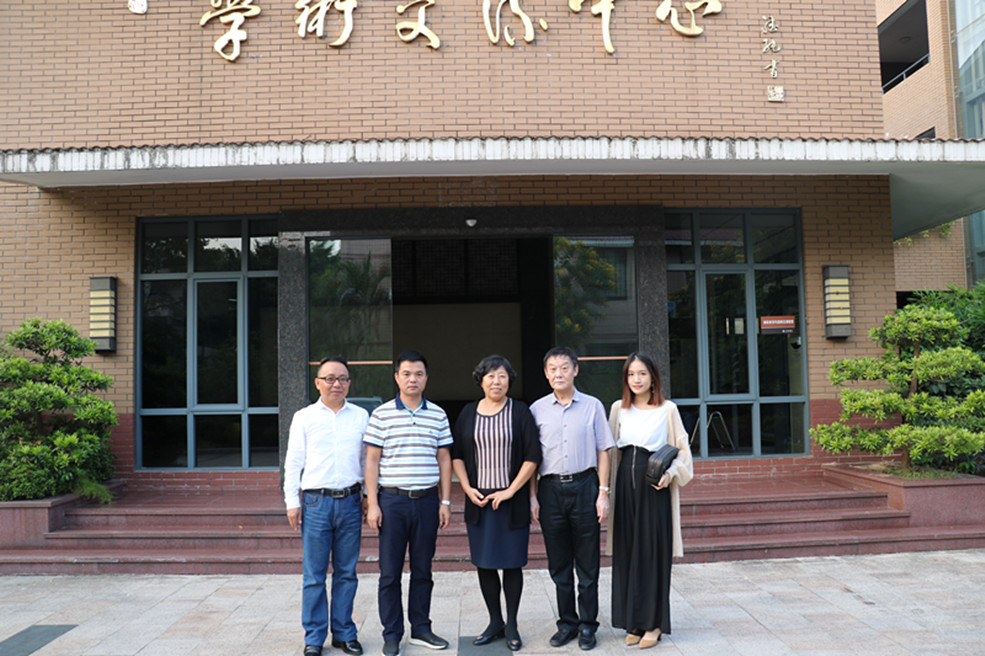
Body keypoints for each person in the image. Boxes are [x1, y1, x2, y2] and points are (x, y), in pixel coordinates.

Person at [364, 350, 453, 656]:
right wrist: (372, 503)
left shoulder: (438, 414)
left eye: (418, 374)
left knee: (422, 569)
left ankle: (421, 628)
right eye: (406, 373)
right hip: (392, 502)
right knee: (389, 572)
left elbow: (444, 459)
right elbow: (372, 460)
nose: (412, 379)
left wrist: (445, 501)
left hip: (427, 502)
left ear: (426, 378)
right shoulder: (381, 414)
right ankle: (392, 633)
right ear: (397, 377)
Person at [451, 355, 542, 652]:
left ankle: (512, 624)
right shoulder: (468, 412)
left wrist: (510, 491)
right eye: (490, 376)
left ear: (509, 380)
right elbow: (457, 455)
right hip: (479, 502)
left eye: (502, 376)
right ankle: (495, 622)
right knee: (485, 563)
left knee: (512, 564)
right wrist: (467, 488)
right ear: (481, 380)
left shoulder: (520, 411)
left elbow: (532, 456)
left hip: (512, 502)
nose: (496, 381)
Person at [529, 346, 615, 651]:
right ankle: (567, 623)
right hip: (550, 490)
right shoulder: (537, 409)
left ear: (575, 370)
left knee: (588, 564)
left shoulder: (592, 406)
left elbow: (604, 450)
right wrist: (533, 497)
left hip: (585, 486)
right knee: (559, 563)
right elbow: (532, 459)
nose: (558, 374)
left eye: (564, 367)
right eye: (552, 369)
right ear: (546, 373)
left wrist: (603, 493)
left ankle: (588, 625)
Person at [606, 352, 693, 649]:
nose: (637, 379)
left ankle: (653, 624)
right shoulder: (618, 408)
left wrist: (670, 474)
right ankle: (633, 621)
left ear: (653, 377)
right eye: (631, 374)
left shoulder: (668, 409)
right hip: (624, 488)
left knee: (651, 554)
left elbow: (684, 451)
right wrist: (604, 491)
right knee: (627, 553)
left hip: (653, 487)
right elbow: (610, 452)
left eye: (642, 373)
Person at [284, 356, 369, 656]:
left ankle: (344, 633)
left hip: (351, 502)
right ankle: (314, 637)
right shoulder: (304, 417)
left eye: (342, 379)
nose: (337, 384)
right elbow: (293, 461)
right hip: (315, 502)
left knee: (347, 572)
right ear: (317, 383)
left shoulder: (361, 416)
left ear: (349, 383)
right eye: (330, 378)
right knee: (314, 575)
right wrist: (291, 502)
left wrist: (368, 495)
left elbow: (366, 460)